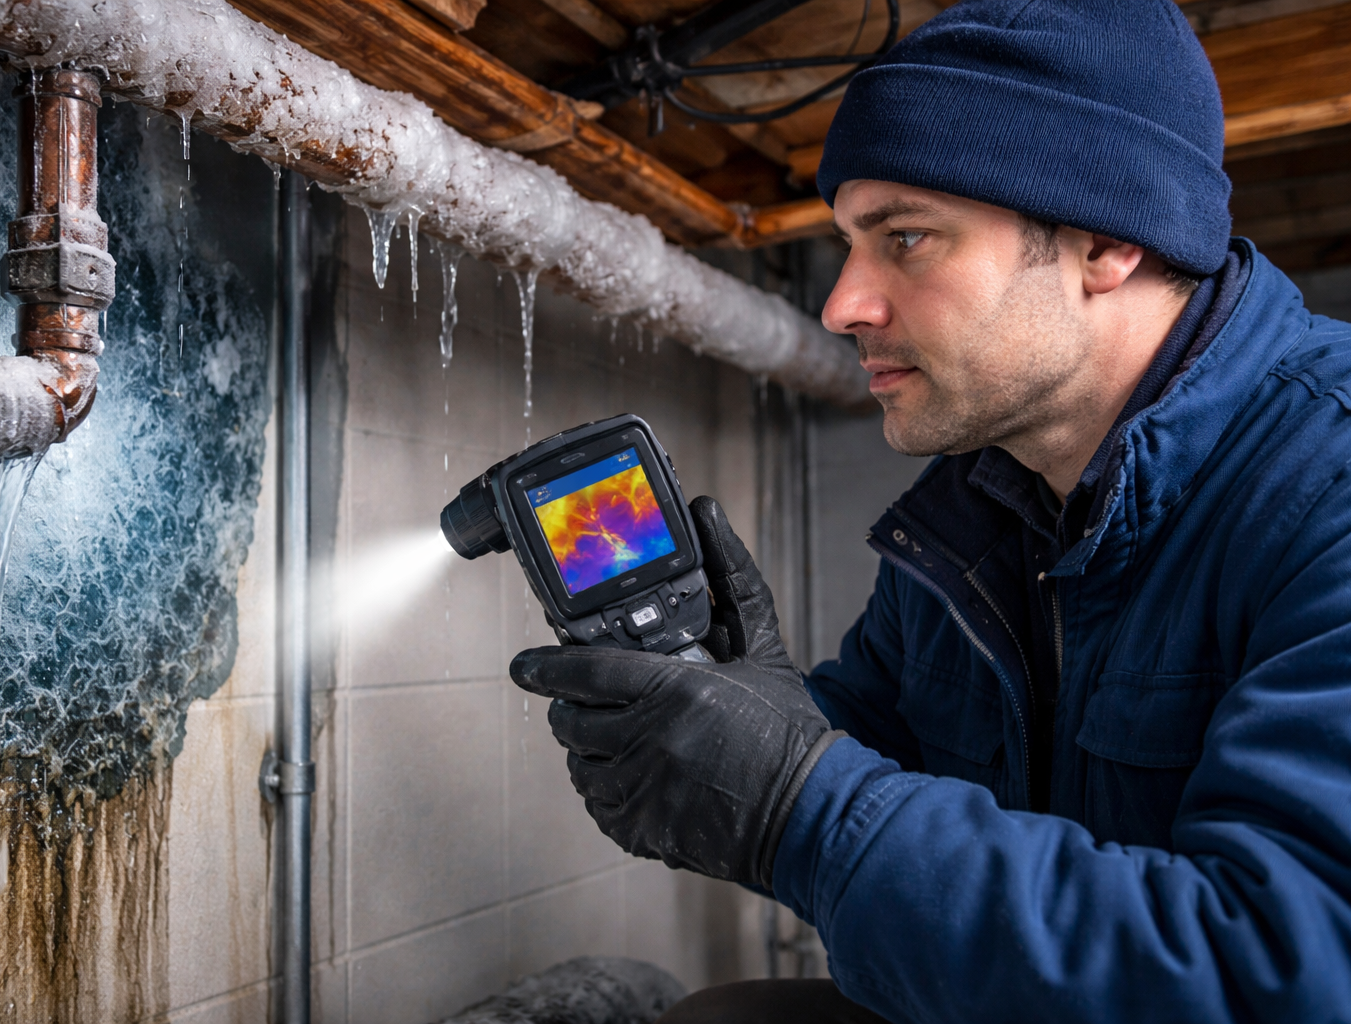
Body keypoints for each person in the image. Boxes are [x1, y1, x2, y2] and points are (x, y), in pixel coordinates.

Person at [508, 1, 1351, 1021]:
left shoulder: (1325, 481)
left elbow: (1285, 969)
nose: (842, 303)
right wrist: (739, 719)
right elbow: (873, 765)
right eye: (850, 243)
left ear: (1108, 243)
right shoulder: (980, 502)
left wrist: (797, 802)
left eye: (906, 238)